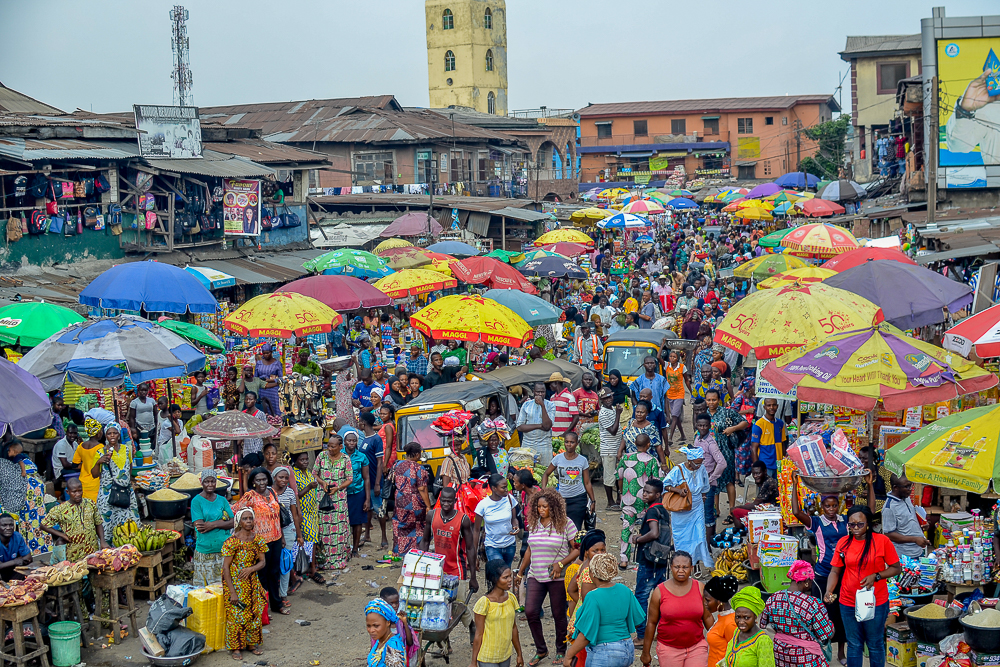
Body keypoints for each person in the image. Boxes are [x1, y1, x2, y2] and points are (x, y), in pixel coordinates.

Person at [824, 505, 901, 667]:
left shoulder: (882, 541)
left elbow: (896, 568)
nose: (856, 528)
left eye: (860, 524)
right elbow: (835, 571)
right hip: (848, 601)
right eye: (852, 525)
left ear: (868, 523)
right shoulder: (843, 543)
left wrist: (877, 576)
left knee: (874, 643)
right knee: (854, 644)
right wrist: (828, 591)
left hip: (876, 602)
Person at [515, 489, 579, 667]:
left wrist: (561, 564)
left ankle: (561, 649)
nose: (541, 510)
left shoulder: (566, 523)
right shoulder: (534, 523)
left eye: (545, 507)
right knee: (530, 612)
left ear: (554, 507)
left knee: (559, 614)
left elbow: (577, 548)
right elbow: (529, 550)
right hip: (536, 574)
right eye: (538, 506)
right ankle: (541, 649)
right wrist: (520, 572)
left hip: (557, 577)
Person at [791, 481, 848, 665]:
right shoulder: (815, 522)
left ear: (838, 505)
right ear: (821, 506)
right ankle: (821, 651)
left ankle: (841, 653)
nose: (831, 509)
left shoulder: (845, 521)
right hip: (823, 575)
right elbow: (796, 512)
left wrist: (870, 486)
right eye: (827, 505)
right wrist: (794, 485)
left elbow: (869, 512)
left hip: (844, 574)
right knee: (822, 614)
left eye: (834, 505)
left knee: (842, 614)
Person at [564, 552, 646, 667]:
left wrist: (569, 655)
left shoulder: (593, 596)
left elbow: (586, 634)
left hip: (605, 651)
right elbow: (637, 620)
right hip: (627, 648)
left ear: (592, 573)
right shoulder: (624, 590)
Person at [420, 486, 478, 641]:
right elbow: (425, 541)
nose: (446, 503)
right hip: (438, 570)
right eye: (443, 500)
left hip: (457, 569)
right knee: (438, 606)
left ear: (454, 501)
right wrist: (421, 564)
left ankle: (472, 625)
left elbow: (471, 548)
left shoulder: (463, 519)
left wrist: (473, 576)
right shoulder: (432, 516)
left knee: (458, 605)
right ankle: (444, 642)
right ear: (439, 500)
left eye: (449, 501)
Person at [640, 551, 714, 667]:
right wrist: (645, 652)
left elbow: (708, 617)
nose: (681, 570)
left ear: (691, 568)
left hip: (697, 647)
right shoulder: (659, 592)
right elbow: (651, 623)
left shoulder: (700, 587)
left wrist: (719, 642)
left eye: (685, 567)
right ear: (671, 567)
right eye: (677, 567)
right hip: (668, 649)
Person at [762, 560, 835, 667]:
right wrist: (832, 625)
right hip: (805, 658)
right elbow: (826, 634)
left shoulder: (773, 598)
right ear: (806, 581)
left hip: (780, 655)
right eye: (811, 581)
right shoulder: (813, 604)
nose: (811, 584)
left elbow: (764, 624)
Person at [233, 468, 285, 615]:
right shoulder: (250, 496)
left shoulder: (272, 492)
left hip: (276, 538)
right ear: (253, 482)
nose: (262, 482)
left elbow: (278, 515)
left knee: (274, 572)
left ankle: (276, 604)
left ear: (268, 479)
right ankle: (262, 610)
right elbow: (236, 511)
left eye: (264, 479)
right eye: (258, 480)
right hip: (260, 541)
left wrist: (282, 537)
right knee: (261, 574)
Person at [222, 508, 267, 659]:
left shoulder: (258, 539)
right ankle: (236, 648)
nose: (248, 521)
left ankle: (251, 644)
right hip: (235, 583)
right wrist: (232, 592)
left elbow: (262, 562)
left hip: (252, 582)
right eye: (245, 519)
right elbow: (225, 568)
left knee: (254, 613)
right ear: (239, 522)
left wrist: (250, 569)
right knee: (236, 615)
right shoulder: (232, 542)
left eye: (250, 518)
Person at [632, 479, 671, 645]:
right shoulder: (664, 510)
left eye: (648, 492)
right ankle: (661, 632)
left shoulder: (652, 511)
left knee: (640, 597)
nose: (644, 494)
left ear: (658, 494)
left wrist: (638, 539)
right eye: (644, 491)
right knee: (661, 597)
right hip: (660, 560)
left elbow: (654, 533)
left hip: (649, 560)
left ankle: (642, 636)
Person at [616, 436, 663, 568]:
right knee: (646, 528)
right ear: (648, 445)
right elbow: (657, 482)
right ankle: (644, 557)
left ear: (635, 444)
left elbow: (619, 477)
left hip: (628, 498)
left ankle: (624, 559)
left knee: (626, 528)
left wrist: (621, 493)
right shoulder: (652, 461)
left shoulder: (625, 458)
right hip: (645, 500)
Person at [663, 447, 713, 570]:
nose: (699, 466)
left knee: (699, 536)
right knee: (682, 537)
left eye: (701, 463)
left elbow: (705, 486)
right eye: (697, 463)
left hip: (697, 507)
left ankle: (696, 564)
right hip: (681, 510)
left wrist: (703, 496)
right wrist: (678, 490)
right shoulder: (677, 470)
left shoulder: (701, 469)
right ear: (690, 461)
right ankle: (682, 563)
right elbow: (665, 485)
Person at [704, 388, 746, 527]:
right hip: (710, 455)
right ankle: (716, 509)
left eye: (714, 399)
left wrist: (732, 429)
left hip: (726, 451)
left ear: (719, 400)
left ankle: (731, 511)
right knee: (713, 480)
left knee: (728, 481)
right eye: (708, 400)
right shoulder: (704, 415)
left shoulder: (727, 412)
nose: (711, 402)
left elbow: (744, 422)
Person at [472, 559, 525, 667]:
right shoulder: (484, 603)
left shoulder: (511, 598)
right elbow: (478, 634)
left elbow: (513, 628)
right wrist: (473, 662)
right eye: (505, 577)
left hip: (505, 655)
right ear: (494, 579)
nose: (510, 579)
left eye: (510, 576)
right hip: (487, 657)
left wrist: (519, 654)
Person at [41, 476, 106, 563]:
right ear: (68, 492)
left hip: (91, 550)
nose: (78, 494)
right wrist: (62, 535)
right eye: (74, 492)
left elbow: (98, 523)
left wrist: (102, 540)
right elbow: (43, 525)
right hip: (73, 553)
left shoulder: (90, 504)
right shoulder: (60, 509)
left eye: (80, 491)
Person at [313, 435, 352, 571]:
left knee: (338, 529)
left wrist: (338, 488)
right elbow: (315, 473)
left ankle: (338, 559)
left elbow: (349, 479)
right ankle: (324, 559)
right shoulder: (322, 456)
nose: (329, 448)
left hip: (338, 498)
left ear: (340, 447)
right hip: (322, 497)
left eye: (333, 446)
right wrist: (323, 482)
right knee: (323, 528)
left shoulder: (346, 459)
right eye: (328, 445)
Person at [93, 422, 138, 543]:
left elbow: (129, 468)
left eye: (115, 433)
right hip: (108, 494)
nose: (112, 436)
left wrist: (127, 483)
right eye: (109, 433)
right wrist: (99, 462)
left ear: (119, 435)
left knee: (128, 525)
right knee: (107, 524)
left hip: (125, 492)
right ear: (106, 436)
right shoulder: (100, 452)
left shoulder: (126, 449)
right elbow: (94, 474)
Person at [543, 432, 594, 531]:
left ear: (577, 443)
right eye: (566, 442)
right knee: (561, 528)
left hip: (578, 500)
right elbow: (546, 474)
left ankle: (575, 547)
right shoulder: (558, 458)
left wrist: (593, 500)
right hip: (562, 500)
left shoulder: (582, 460)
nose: (569, 444)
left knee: (575, 530)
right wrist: (544, 490)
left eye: (572, 442)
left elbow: (587, 483)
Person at [191, 470, 234, 585]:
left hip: (223, 549)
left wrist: (212, 524)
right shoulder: (196, 501)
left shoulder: (222, 500)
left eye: (212, 481)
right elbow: (200, 527)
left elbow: (234, 522)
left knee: (224, 586)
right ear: (202, 483)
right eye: (206, 482)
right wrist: (223, 522)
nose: (210, 484)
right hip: (205, 550)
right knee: (205, 590)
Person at [392, 441, 431, 556]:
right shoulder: (419, 468)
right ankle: (417, 551)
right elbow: (422, 489)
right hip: (414, 502)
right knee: (418, 527)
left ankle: (400, 551)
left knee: (400, 525)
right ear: (417, 454)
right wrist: (428, 505)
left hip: (399, 500)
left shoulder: (397, 465)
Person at [272, 467, 304, 602]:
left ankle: (283, 594)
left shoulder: (290, 492)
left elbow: (295, 515)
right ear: (274, 477)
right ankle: (272, 595)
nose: (284, 480)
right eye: (281, 477)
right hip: (272, 531)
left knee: (285, 563)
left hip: (288, 529)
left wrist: (299, 535)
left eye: (286, 478)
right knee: (273, 564)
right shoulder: (268, 492)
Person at [721, 587, 775, 667]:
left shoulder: (762, 641)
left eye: (746, 617)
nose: (741, 622)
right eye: (738, 617)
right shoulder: (737, 632)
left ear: (755, 616)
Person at [475, 474, 519, 569]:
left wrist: (516, 527)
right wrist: (474, 555)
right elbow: (476, 530)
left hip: (510, 545)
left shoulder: (510, 499)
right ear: (494, 488)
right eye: (503, 487)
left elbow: (514, 519)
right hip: (492, 546)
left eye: (506, 486)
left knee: (506, 574)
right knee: (498, 574)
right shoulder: (483, 505)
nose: (507, 489)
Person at [292, 451, 323, 585]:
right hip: (303, 512)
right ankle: (311, 569)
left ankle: (308, 567)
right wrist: (309, 486)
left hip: (312, 511)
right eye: (302, 460)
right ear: (295, 461)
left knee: (313, 539)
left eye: (306, 459)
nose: (305, 462)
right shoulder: (293, 474)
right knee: (310, 539)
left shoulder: (308, 472)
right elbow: (295, 495)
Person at [694, 413, 727, 536]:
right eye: (700, 425)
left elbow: (722, 463)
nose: (702, 428)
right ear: (696, 425)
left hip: (707, 484)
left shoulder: (711, 443)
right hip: (698, 481)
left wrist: (711, 478)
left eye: (705, 426)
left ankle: (709, 542)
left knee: (708, 513)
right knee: (700, 512)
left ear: (709, 426)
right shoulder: (697, 438)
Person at [883, 472, 930, 558]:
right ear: (895, 488)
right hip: (904, 556)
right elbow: (888, 534)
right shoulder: (889, 508)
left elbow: (909, 519)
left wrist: (922, 524)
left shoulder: (905, 497)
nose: (910, 489)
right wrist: (915, 539)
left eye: (910, 485)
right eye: (906, 487)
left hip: (917, 550)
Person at [344, 431, 371, 558]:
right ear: (344, 442)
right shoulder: (339, 455)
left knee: (357, 522)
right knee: (343, 522)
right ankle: (344, 548)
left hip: (357, 492)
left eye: (354, 441)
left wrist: (367, 498)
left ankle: (355, 549)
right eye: (349, 440)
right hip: (342, 493)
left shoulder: (362, 457)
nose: (351, 443)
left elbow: (366, 478)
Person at [517, 383, 556, 469]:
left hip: (544, 445)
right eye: (538, 392)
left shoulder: (550, 405)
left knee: (544, 471)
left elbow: (546, 426)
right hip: (528, 444)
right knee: (527, 471)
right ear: (533, 392)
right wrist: (538, 426)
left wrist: (542, 405)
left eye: (543, 392)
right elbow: (520, 427)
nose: (540, 394)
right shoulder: (526, 405)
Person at [704, 575, 740, 667]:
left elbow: (736, 654)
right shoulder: (723, 617)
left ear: (719, 601)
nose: (704, 603)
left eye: (708, 600)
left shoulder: (730, 623)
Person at [597, 388, 623, 511]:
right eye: (605, 398)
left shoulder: (611, 409)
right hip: (608, 449)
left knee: (618, 475)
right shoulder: (603, 413)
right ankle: (610, 501)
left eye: (610, 397)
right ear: (601, 400)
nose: (609, 400)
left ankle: (618, 498)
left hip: (616, 448)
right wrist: (618, 414)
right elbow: (613, 431)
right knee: (609, 476)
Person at [732, 462, 780, 528]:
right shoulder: (767, 480)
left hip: (770, 513)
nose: (755, 476)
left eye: (758, 473)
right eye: (754, 474)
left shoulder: (768, 483)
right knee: (746, 505)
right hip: (767, 508)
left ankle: (740, 531)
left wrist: (737, 507)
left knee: (735, 511)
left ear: (765, 471)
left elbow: (755, 504)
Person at [751, 398, 787, 478]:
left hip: (779, 465)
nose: (772, 407)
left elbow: (782, 444)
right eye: (769, 405)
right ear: (764, 407)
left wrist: (784, 462)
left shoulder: (781, 424)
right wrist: (757, 469)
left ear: (777, 406)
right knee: (766, 489)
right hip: (765, 465)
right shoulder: (758, 425)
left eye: (774, 405)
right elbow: (754, 449)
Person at [619, 400, 663, 466]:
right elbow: (625, 437)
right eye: (637, 412)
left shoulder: (651, 428)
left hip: (646, 462)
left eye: (642, 412)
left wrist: (664, 463)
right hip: (631, 461)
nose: (639, 414)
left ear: (647, 413)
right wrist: (619, 451)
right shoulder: (631, 423)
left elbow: (658, 446)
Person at [663, 350, 689, 446]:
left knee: (674, 415)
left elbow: (686, 380)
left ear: (677, 358)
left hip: (679, 394)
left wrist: (691, 392)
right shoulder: (667, 365)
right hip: (670, 394)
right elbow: (658, 357)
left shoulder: (682, 367)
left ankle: (670, 438)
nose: (672, 358)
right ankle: (682, 435)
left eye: (674, 356)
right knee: (676, 416)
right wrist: (663, 345)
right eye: (670, 356)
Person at [255, 344, 283, 416]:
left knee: (274, 409)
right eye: (264, 353)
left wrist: (271, 380)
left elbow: (281, 378)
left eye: (268, 353)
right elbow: (255, 377)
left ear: (271, 352)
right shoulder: (259, 363)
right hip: (262, 390)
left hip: (273, 389)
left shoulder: (277, 363)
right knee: (263, 408)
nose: (266, 355)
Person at [573, 372, 600, 438]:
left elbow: (598, 409)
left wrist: (596, 413)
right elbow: (572, 410)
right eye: (586, 379)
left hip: (590, 428)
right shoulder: (576, 393)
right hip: (578, 427)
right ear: (582, 381)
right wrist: (585, 414)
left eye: (590, 380)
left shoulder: (595, 395)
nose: (588, 381)